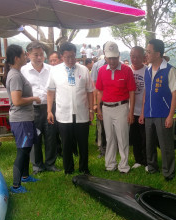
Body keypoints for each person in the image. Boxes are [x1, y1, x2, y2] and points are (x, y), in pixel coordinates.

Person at [47, 42, 94, 175]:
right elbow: (50, 91)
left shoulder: (83, 70)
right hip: (63, 113)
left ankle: (84, 168)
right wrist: (49, 110)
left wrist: (91, 110)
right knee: (66, 143)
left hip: (82, 112)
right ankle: (68, 169)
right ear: (62, 56)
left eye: (73, 56)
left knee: (83, 144)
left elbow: (90, 91)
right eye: (67, 57)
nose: (70, 60)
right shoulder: (55, 71)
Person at [139, 39, 176, 181]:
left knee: (165, 144)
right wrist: (143, 112)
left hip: (163, 113)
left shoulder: (169, 70)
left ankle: (168, 172)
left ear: (157, 54)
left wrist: (170, 115)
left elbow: (175, 93)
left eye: (149, 52)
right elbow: (146, 93)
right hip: (149, 113)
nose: (146, 54)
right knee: (149, 143)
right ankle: (152, 167)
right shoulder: (148, 70)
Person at [3, 44, 41, 193]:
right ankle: (16, 185)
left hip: (25, 118)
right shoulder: (15, 76)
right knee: (22, 150)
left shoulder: (17, 73)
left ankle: (25, 176)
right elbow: (17, 100)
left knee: (27, 147)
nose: (26, 56)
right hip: (20, 120)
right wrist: (34, 98)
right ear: (17, 58)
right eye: (24, 55)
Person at [96, 41, 136, 173]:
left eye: (114, 57)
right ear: (105, 57)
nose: (112, 61)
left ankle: (123, 166)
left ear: (119, 56)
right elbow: (99, 91)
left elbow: (131, 91)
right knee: (109, 137)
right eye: (109, 58)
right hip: (106, 108)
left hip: (122, 107)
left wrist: (130, 111)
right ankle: (110, 164)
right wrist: (98, 107)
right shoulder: (101, 70)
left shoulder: (126, 70)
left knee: (123, 137)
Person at [22, 42, 59, 174]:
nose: (39, 57)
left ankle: (50, 163)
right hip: (32, 108)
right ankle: (37, 165)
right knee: (35, 136)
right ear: (28, 55)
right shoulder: (23, 70)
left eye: (41, 54)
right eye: (35, 55)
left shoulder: (51, 69)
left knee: (51, 135)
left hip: (49, 107)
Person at [130, 46, 147, 169]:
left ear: (143, 57)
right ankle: (138, 160)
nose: (135, 59)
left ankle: (146, 160)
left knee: (145, 137)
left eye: (138, 57)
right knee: (134, 136)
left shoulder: (148, 71)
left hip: (143, 110)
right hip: (130, 110)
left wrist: (143, 112)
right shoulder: (127, 70)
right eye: (132, 56)